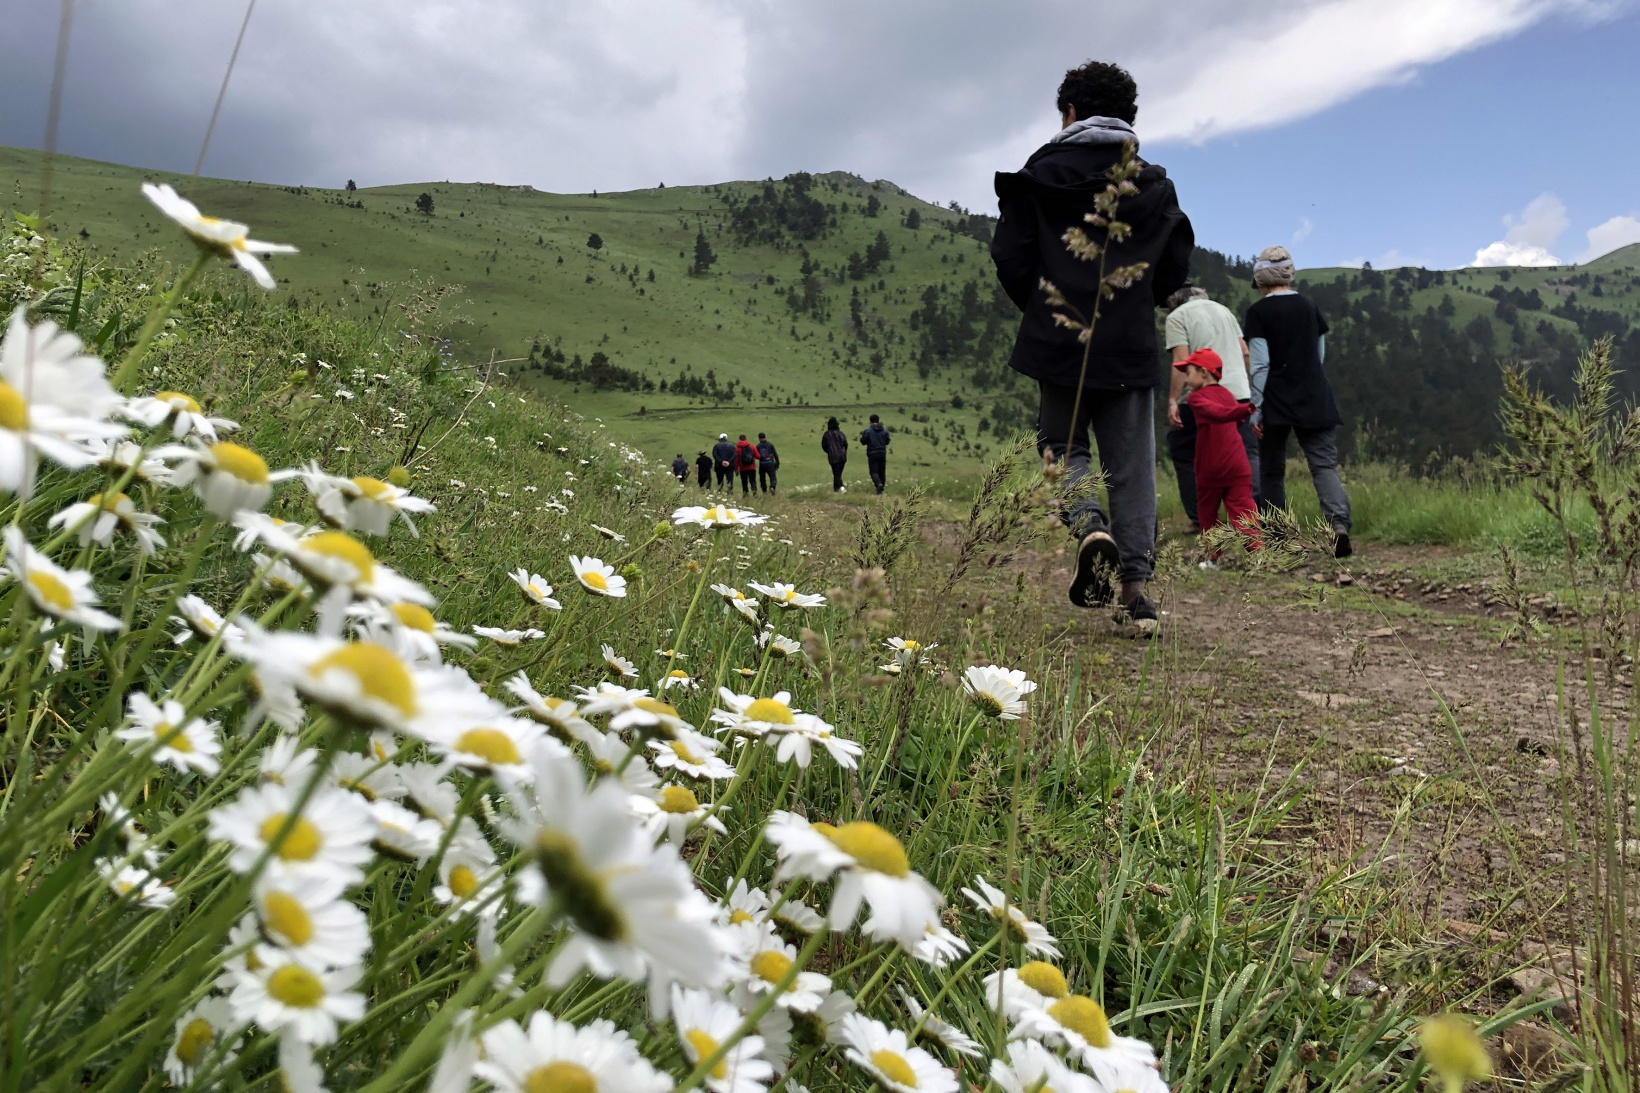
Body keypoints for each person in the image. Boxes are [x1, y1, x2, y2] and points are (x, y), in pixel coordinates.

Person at [990, 59, 1193, 626]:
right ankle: (1135, 596)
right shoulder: (1152, 182)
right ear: (1129, 117)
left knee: (1064, 448)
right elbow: (1174, 269)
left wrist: (1042, 306)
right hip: (1129, 342)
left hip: (1059, 342)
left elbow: (1010, 255)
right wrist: (1134, 301)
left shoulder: (1041, 171)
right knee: (1131, 467)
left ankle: (1089, 526)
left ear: (1070, 113)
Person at [1244, 245, 1353, 559]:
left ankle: (1278, 537)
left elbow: (1260, 365)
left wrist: (1256, 408)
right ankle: (1339, 525)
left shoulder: (1258, 313)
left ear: (1261, 280)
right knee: (1323, 465)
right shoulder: (1309, 305)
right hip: (1314, 394)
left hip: (1276, 399)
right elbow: (1318, 355)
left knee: (1272, 470)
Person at [1164, 284, 1257, 532]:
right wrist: (1246, 385)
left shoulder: (1177, 317)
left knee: (1185, 450)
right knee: (1245, 452)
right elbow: (1245, 352)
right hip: (1237, 392)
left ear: (1175, 302)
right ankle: (1258, 515)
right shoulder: (1225, 311)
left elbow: (1179, 362)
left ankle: (1200, 518)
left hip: (1201, 394)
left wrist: (1174, 400)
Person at [1175, 349, 1258, 561]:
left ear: (1204, 373)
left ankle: (1213, 558)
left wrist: (1240, 411)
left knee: (1208, 514)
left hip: (1211, 467)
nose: (1185, 378)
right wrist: (1241, 410)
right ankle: (1259, 554)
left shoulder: (1195, 399)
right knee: (1244, 510)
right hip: (1238, 463)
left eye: (1188, 372)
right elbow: (1234, 418)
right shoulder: (1228, 395)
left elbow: (1216, 414)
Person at [858, 414, 891, 493]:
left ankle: (878, 484)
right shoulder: (884, 430)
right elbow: (887, 441)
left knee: (874, 471)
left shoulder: (868, 431)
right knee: (882, 471)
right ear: (878, 421)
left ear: (870, 421)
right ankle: (881, 489)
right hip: (882, 452)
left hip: (872, 453)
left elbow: (863, 441)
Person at [821, 417, 849, 492]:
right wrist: (844, 452)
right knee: (838, 474)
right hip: (842, 457)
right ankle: (835, 491)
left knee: (836, 474)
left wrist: (829, 452)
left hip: (833, 457)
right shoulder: (841, 434)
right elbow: (845, 444)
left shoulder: (827, 435)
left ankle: (842, 489)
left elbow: (824, 446)